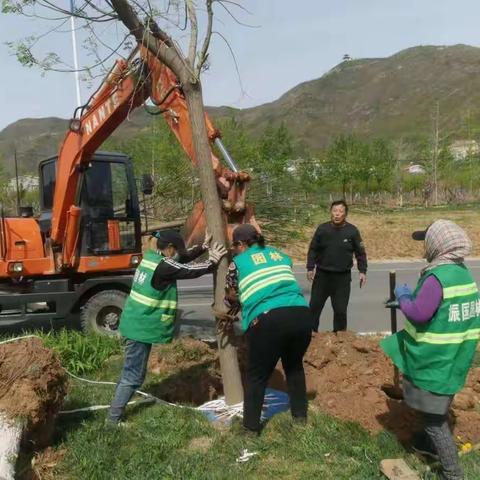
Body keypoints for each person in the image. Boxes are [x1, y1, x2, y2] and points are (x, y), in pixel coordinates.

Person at [381, 220, 480, 480]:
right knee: (437, 409)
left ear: (438, 244)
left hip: (434, 359)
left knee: (434, 422)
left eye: (427, 241)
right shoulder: (461, 272)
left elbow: (420, 313)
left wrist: (403, 296)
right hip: (454, 356)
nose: (424, 246)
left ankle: (452, 473)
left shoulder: (438, 276)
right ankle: (426, 445)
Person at [108, 229, 227, 424]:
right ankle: (113, 419)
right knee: (133, 376)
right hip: (140, 328)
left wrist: (204, 247)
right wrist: (212, 261)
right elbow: (189, 270)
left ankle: (115, 410)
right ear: (169, 248)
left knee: (130, 371)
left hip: (134, 323)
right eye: (176, 250)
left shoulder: (150, 258)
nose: (178, 253)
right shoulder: (163, 267)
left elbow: (182, 260)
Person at [225, 224, 312, 433]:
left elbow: (230, 296)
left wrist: (230, 303)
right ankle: (300, 420)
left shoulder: (236, 263)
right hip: (301, 315)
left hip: (268, 319)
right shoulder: (280, 255)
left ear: (242, 244)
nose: (234, 250)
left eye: (235, 246)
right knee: (294, 367)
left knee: (256, 376)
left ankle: (250, 429)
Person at [306, 200, 367, 332]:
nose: (337, 214)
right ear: (331, 212)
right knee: (314, 308)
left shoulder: (352, 231)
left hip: (342, 278)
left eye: (340, 211)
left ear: (345, 214)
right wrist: (310, 267)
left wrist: (362, 271)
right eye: (334, 211)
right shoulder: (322, 229)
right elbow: (313, 249)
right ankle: (310, 336)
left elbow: (360, 253)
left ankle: (340, 340)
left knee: (340, 311)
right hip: (322, 276)